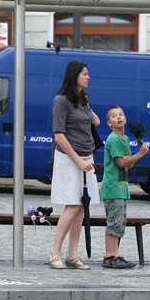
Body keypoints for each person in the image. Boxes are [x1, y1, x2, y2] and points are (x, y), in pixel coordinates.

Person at [48, 60, 101, 270]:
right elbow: (59, 135)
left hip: (86, 155)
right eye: (85, 74)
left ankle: (73, 253)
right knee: (72, 205)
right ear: (74, 76)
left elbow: (95, 122)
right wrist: (77, 160)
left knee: (81, 206)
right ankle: (55, 252)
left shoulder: (82, 99)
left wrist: (86, 106)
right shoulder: (61, 101)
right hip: (69, 158)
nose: (88, 77)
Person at [100, 106, 149, 269]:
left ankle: (116, 254)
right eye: (114, 116)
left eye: (121, 114)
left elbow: (128, 162)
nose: (118, 117)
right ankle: (110, 256)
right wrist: (140, 154)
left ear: (125, 119)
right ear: (109, 123)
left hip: (121, 187)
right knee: (114, 221)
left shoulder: (125, 139)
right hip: (113, 187)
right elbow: (121, 163)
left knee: (120, 222)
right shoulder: (113, 139)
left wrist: (134, 157)